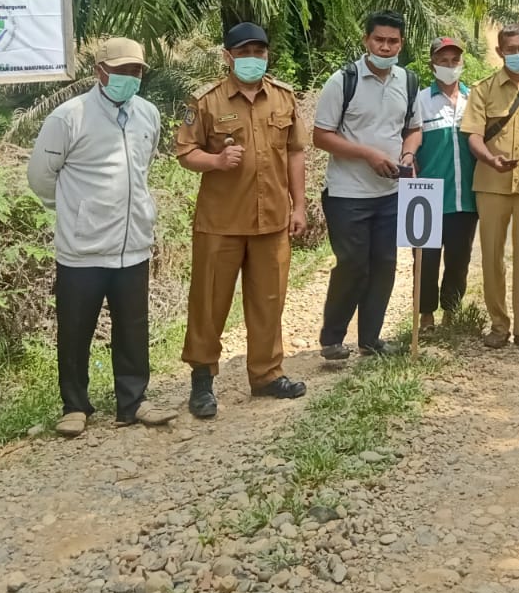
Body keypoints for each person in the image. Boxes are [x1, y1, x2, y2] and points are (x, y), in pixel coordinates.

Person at [28, 37, 176, 435]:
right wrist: (76, 213)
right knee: (75, 328)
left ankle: (134, 401)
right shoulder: (68, 117)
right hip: (83, 248)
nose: (131, 78)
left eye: (137, 71)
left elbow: (143, 169)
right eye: (123, 71)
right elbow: (41, 178)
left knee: (133, 327)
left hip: (134, 245)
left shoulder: (148, 114)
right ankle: (74, 406)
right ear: (100, 72)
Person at [174, 23, 309, 418]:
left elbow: (296, 152)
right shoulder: (205, 101)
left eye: (260, 51)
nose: (253, 58)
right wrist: (215, 161)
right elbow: (184, 152)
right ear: (228, 56)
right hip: (221, 223)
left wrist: (298, 206)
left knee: (269, 301)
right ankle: (202, 380)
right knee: (209, 303)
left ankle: (266, 375)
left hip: (272, 220)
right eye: (245, 51)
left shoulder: (283, 98)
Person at [313, 10, 423, 360]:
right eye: (379, 40)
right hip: (348, 194)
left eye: (393, 41)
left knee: (385, 264)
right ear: (366, 41)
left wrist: (407, 154)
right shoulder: (342, 81)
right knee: (352, 264)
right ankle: (332, 339)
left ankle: (370, 339)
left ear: (401, 44)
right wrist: (367, 155)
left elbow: (413, 128)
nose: (386, 47)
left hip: (391, 194)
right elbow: (320, 136)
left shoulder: (407, 81)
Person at [460, 24, 519, 355]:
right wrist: (489, 158)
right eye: (511, 49)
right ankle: (498, 325)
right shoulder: (483, 89)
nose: (518, 54)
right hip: (491, 185)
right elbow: (472, 134)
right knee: (491, 258)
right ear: (500, 52)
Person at [414, 36, 478, 330]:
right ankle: (425, 315)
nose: (450, 66)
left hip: (464, 196)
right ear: (433, 64)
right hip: (427, 195)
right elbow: (410, 140)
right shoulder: (420, 101)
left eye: (455, 61)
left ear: (462, 64)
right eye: (443, 61)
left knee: (459, 258)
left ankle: (452, 312)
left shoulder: (473, 100)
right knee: (425, 258)